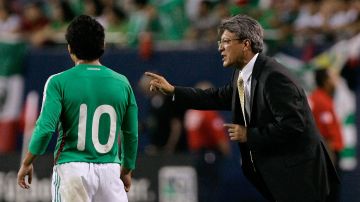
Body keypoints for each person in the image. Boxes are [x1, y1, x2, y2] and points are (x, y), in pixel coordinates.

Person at [145, 14, 339, 202]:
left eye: (226, 41)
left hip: (302, 177)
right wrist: (173, 91)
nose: (220, 48)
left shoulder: (273, 77)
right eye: (220, 42)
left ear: (246, 44)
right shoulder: (243, 74)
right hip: (285, 175)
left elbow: (295, 125)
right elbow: (216, 97)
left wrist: (250, 134)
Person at [17, 15, 138, 202]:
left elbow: (45, 128)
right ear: (102, 45)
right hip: (110, 170)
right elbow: (131, 133)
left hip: (72, 169)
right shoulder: (122, 83)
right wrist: (127, 169)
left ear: (70, 48)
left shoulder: (58, 82)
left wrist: (27, 162)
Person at [184, 81, 230, 202]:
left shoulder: (191, 112)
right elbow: (219, 137)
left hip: (195, 155)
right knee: (211, 189)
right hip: (208, 155)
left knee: (200, 187)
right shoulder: (208, 113)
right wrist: (225, 151)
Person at [309, 68, 344, 202]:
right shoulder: (321, 101)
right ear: (325, 81)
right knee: (330, 194)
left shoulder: (320, 98)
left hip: (324, 153)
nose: (335, 82)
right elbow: (326, 134)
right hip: (327, 154)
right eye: (332, 78)